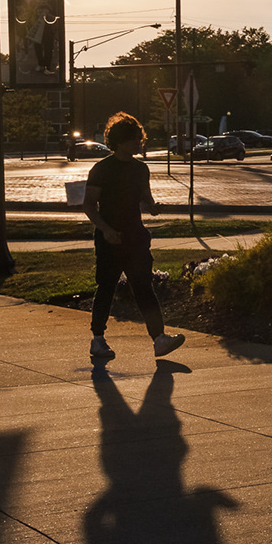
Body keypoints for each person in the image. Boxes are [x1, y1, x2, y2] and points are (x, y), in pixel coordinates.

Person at [82, 112, 184, 364]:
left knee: (143, 287)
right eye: (135, 139)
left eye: (140, 138)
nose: (140, 143)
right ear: (120, 141)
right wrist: (105, 229)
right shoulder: (102, 169)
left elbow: (144, 197)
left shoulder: (141, 169)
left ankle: (159, 338)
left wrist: (152, 205)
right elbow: (89, 205)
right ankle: (97, 339)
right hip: (109, 238)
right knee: (106, 287)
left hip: (135, 236)